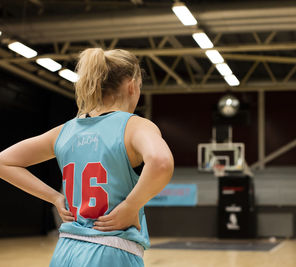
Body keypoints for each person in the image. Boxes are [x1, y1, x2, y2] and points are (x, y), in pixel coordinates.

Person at [0, 48, 174, 267]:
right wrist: (131, 206)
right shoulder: (134, 126)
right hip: (112, 251)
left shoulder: (64, 131)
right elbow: (161, 162)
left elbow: (3, 162)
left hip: (66, 250)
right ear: (132, 85)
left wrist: (55, 198)